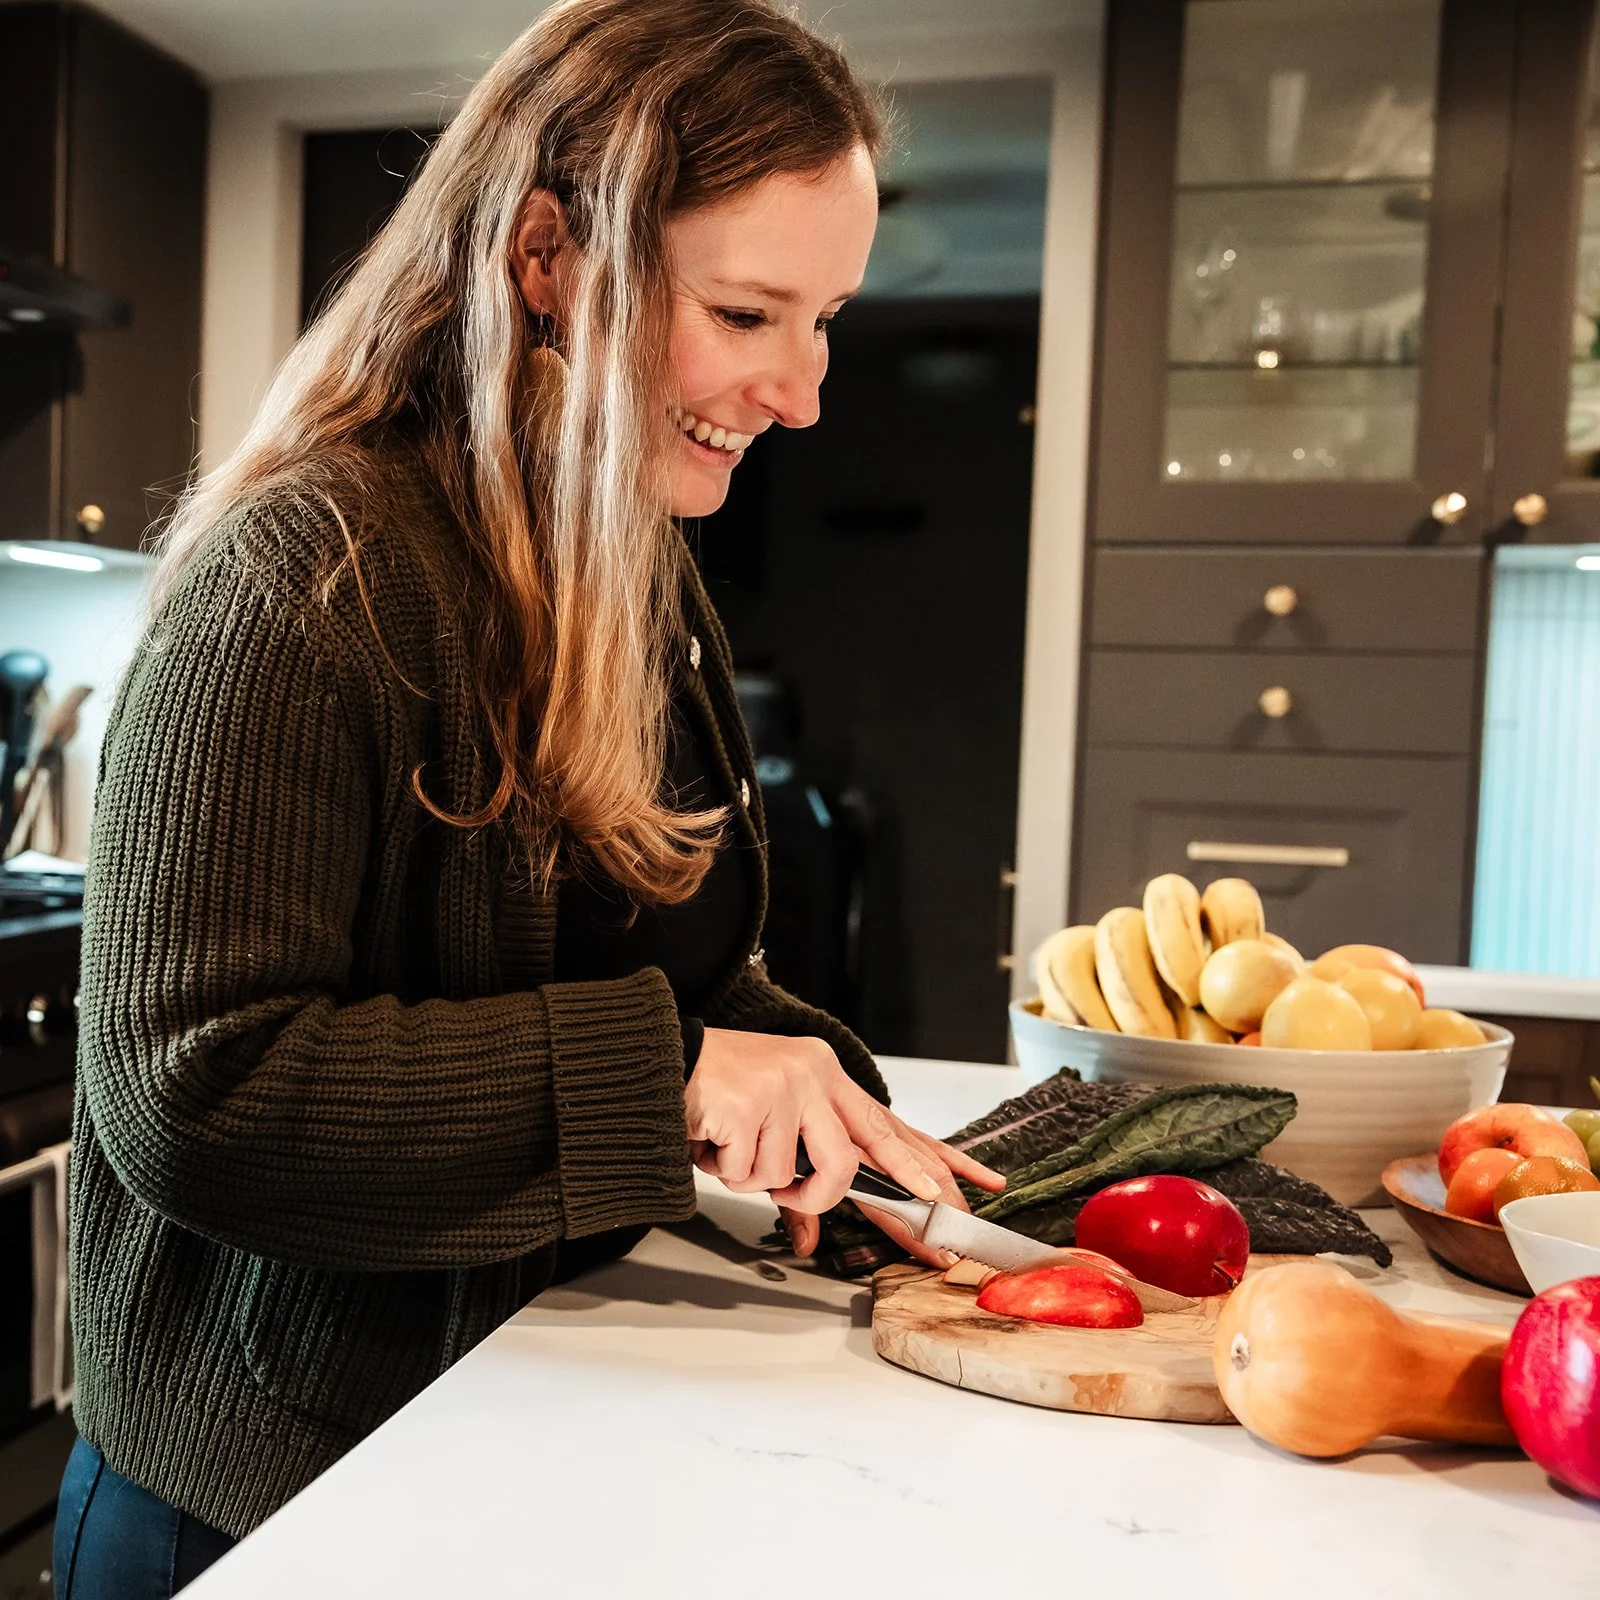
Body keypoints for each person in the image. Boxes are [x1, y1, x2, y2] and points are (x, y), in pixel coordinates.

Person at [54, 2, 1004, 1594]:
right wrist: (682, 1075)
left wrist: (820, 1108)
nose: (805, 389)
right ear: (548, 258)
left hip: (517, 1428)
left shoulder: (633, 565)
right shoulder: (306, 578)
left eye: (826, 315)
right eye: (747, 312)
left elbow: (656, 966)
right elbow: (193, 1093)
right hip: (270, 1498)